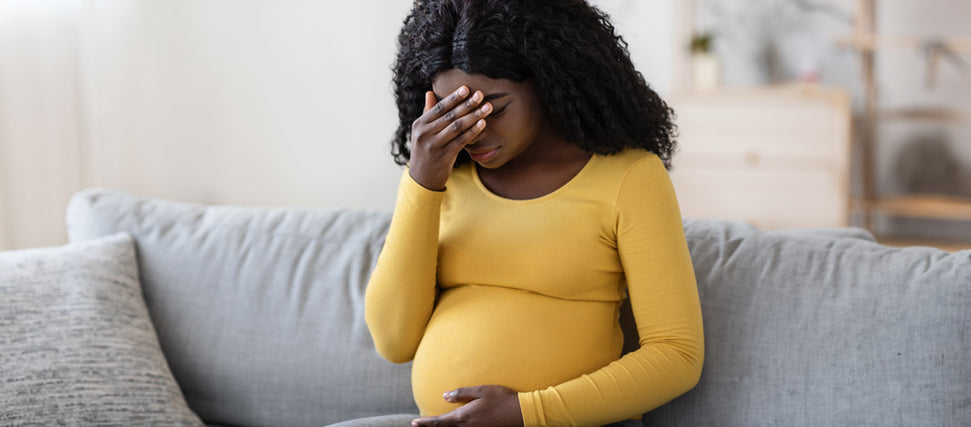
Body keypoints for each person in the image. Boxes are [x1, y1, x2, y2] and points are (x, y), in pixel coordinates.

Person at [364, 1, 704, 426]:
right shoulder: (444, 179)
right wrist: (421, 182)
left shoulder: (630, 178)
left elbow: (677, 354)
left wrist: (529, 413)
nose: (475, 132)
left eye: (494, 108)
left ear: (550, 81)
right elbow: (393, 341)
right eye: (453, 114)